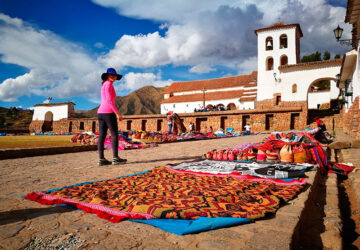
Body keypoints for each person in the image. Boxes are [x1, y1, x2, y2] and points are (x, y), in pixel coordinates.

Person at [97, 68, 127, 166]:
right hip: (108, 112)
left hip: (100, 112)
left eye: (114, 75)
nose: (113, 77)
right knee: (114, 134)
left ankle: (101, 159)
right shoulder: (109, 84)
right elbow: (109, 101)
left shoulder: (104, 85)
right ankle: (115, 158)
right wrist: (117, 113)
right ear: (107, 76)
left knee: (102, 135)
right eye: (111, 75)